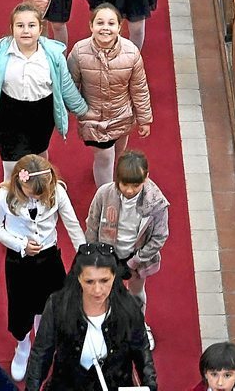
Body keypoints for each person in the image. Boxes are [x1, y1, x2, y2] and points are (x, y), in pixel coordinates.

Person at [0, 3, 89, 178]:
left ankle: (42, 186)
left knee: (38, 157)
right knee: (12, 165)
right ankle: (11, 192)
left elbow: (66, 85)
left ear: (40, 29)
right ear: (12, 28)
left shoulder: (53, 55)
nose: (26, 31)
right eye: (20, 25)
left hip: (42, 114)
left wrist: (82, 111)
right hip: (9, 114)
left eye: (31, 25)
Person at [0, 154, 87, 381]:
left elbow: (72, 224)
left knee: (50, 305)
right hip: (18, 261)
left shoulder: (57, 192)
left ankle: (42, 342)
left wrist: (85, 256)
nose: (36, 198)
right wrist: (20, 244)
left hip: (49, 258)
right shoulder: (3, 196)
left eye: (41, 195)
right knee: (21, 308)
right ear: (19, 182)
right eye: (32, 194)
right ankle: (23, 346)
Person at [24, 242, 157, 390]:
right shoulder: (58, 305)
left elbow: (142, 353)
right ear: (78, 278)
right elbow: (41, 354)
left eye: (104, 280)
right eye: (89, 282)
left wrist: (150, 385)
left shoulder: (129, 308)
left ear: (114, 276)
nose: (97, 290)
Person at [85, 149, 167, 350]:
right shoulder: (104, 194)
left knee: (136, 294)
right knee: (104, 293)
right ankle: (106, 327)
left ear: (146, 178)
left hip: (137, 258)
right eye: (124, 184)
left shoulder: (156, 203)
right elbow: (92, 224)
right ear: (117, 179)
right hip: (107, 255)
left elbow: (159, 237)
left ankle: (139, 326)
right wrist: (93, 255)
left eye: (135, 185)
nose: (129, 190)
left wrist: (135, 261)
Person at [69, 4, 152, 186]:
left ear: (119, 27)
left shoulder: (131, 53)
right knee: (105, 157)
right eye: (100, 23)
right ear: (91, 26)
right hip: (94, 118)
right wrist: (80, 110)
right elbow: (70, 86)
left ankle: (108, 174)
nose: (105, 28)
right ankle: (106, 196)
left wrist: (144, 118)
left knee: (118, 154)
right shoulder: (79, 51)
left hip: (122, 115)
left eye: (111, 23)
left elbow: (139, 88)